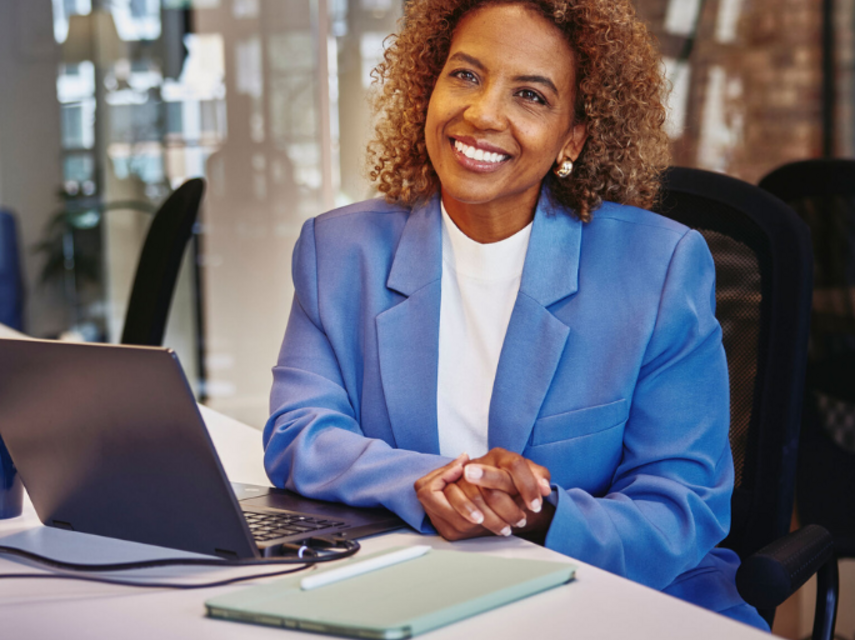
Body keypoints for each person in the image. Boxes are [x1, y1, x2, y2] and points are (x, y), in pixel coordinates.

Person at [263, 0, 767, 630]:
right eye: (466, 75)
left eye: (530, 95)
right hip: (417, 590)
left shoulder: (658, 267)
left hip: (618, 600)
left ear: (572, 138)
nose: (482, 113)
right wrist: (433, 483)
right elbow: (299, 432)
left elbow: (681, 505)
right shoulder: (339, 251)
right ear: (428, 86)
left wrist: (540, 513)